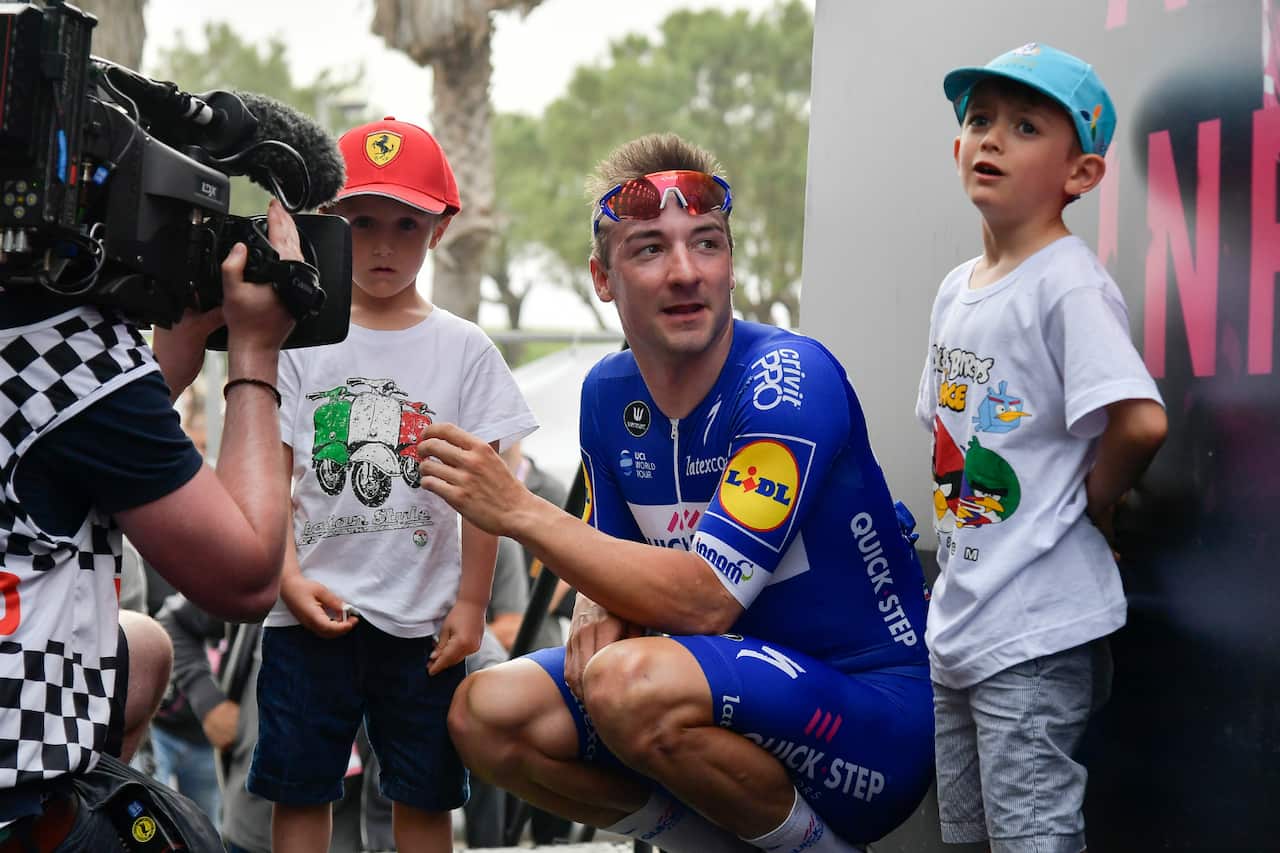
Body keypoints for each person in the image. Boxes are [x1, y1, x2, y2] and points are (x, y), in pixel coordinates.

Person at [419, 134, 936, 853]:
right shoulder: (607, 393)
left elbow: (704, 599)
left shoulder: (789, 379)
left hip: (870, 718)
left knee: (628, 683)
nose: (686, 272)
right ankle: (707, 845)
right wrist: (597, 597)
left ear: (730, 260)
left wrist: (517, 510)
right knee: (485, 712)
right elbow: (615, 550)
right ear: (603, 278)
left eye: (707, 242)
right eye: (650, 249)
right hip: (713, 703)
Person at [246, 116, 537, 853]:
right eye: (362, 221)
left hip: (424, 625)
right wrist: (284, 578)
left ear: (438, 230)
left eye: (406, 224)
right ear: (329, 225)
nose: (382, 244)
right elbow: (271, 478)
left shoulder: (466, 350)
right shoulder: (296, 335)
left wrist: (472, 604)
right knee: (301, 788)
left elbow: (486, 495)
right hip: (309, 612)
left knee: (425, 795)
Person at [917, 44, 1168, 852]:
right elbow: (950, 432)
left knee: (1033, 837)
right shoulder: (957, 288)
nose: (991, 139)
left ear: (1082, 174)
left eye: (1025, 126)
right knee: (968, 837)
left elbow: (1140, 421)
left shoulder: (1069, 281)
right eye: (979, 120)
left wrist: (1090, 502)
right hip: (959, 620)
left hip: (1035, 627)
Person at [0, 198, 301, 851]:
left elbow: (46, 444)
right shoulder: (58, 340)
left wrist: (164, 365)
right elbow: (246, 580)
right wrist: (253, 353)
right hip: (13, 806)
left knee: (146, 647)